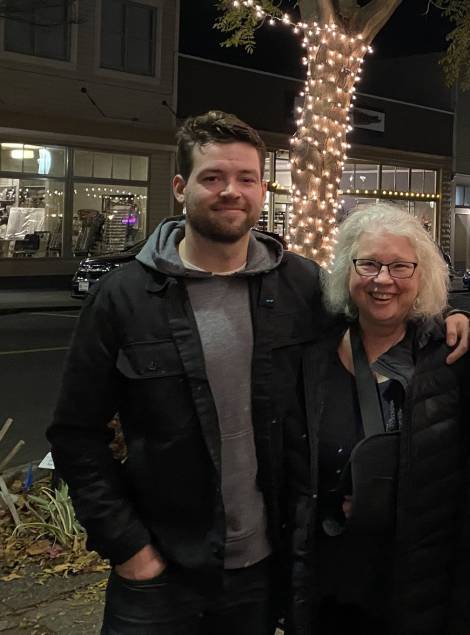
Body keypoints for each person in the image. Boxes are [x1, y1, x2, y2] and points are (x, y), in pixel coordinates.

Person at [47, 113, 468, 635]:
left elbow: (380, 307)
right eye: (212, 177)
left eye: (246, 178)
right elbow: (75, 434)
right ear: (180, 187)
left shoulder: (299, 285)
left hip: (263, 573)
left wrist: (448, 319)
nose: (231, 191)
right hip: (161, 572)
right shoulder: (124, 297)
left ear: (262, 191)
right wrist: (128, 546)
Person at [300, 202, 470, 635]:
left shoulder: (450, 359)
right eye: (369, 264)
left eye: (399, 266)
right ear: (347, 270)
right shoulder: (311, 355)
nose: (382, 280)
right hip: (329, 586)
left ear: (421, 275)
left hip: (420, 590)